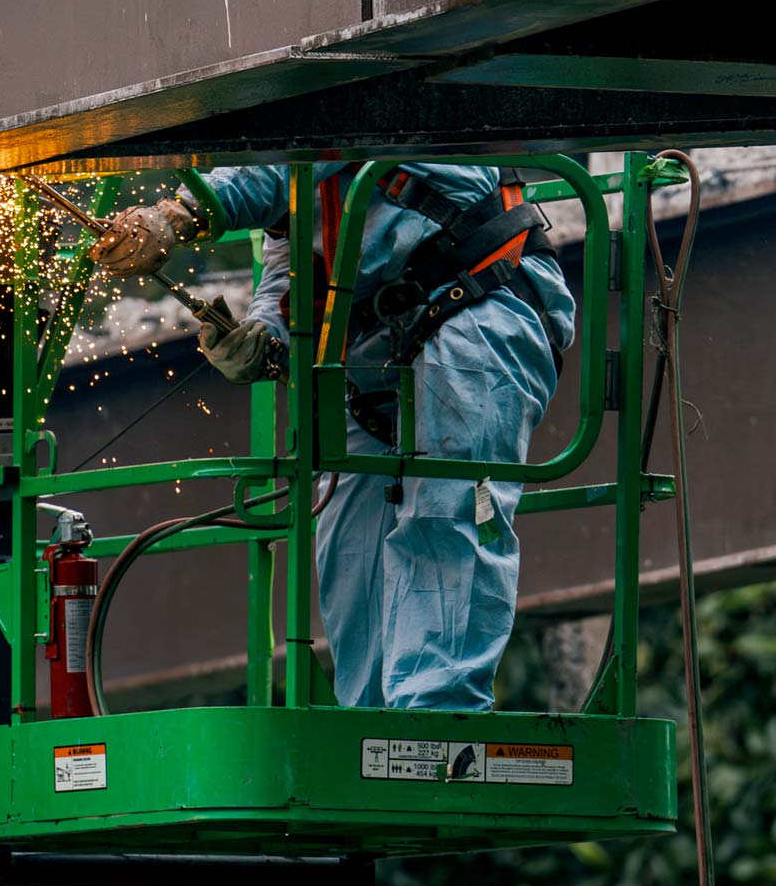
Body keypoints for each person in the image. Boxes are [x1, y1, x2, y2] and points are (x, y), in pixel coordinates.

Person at [89, 166, 575, 711]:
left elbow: (277, 165)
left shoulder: (356, 89)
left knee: (446, 515)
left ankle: (438, 726)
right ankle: (365, 736)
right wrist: (265, 333)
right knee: (349, 550)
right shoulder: (293, 154)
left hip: (476, 307)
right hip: (375, 351)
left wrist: (178, 213)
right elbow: (289, 257)